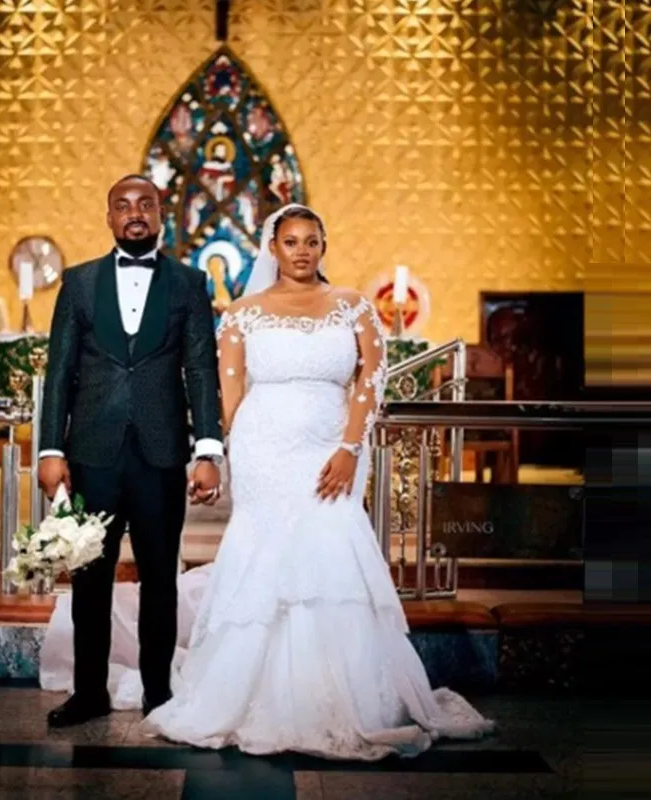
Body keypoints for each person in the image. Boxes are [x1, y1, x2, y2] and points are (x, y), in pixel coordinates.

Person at [40, 203, 495, 759]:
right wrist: (230, 449)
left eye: (312, 241)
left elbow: (368, 381)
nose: (302, 251)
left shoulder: (352, 305)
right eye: (291, 241)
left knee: (330, 558)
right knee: (262, 564)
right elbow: (225, 392)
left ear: (324, 246)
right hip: (263, 455)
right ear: (272, 248)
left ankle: (342, 698)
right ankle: (235, 693)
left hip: (331, 452)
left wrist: (350, 447)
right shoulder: (241, 312)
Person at [37, 174, 224, 728]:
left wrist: (208, 449)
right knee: (90, 579)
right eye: (123, 206)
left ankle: (159, 693)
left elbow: (200, 368)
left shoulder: (190, 284)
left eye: (145, 204)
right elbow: (61, 371)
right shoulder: (78, 282)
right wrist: (50, 448)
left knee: (160, 578)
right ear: (109, 217)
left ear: (162, 212)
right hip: (92, 450)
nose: (134, 213)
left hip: (162, 451)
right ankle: (88, 691)